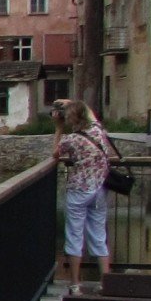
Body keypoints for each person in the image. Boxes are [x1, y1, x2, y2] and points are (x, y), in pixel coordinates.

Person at [53, 99, 113, 286]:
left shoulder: (72, 139)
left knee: (74, 236)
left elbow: (55, 154)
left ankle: (75, 284)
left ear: (70, 118)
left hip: (78, 191)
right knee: (98, 237)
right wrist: (73, 103)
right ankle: (106, 282)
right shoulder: (97, 130)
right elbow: (90, 113)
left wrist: (58, 128)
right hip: (99, 189)